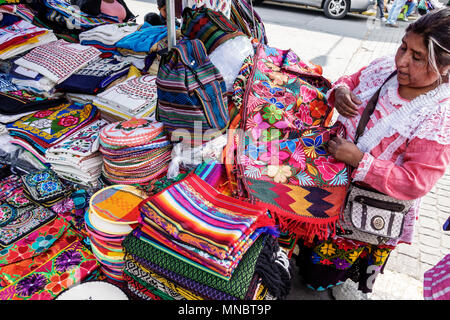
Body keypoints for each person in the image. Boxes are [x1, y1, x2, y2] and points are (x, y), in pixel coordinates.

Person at [296, 8, 450, 294]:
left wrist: (359, 160)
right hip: (328, 187)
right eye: (403, 47)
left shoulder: (439, 116)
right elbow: (349, 80)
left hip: (366, 208)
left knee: (325, 268)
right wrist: (340, 93)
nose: (402, 61)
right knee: (307, 248)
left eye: (417, 58)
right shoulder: (382, 69)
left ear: (444, 67)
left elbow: (415, 181)